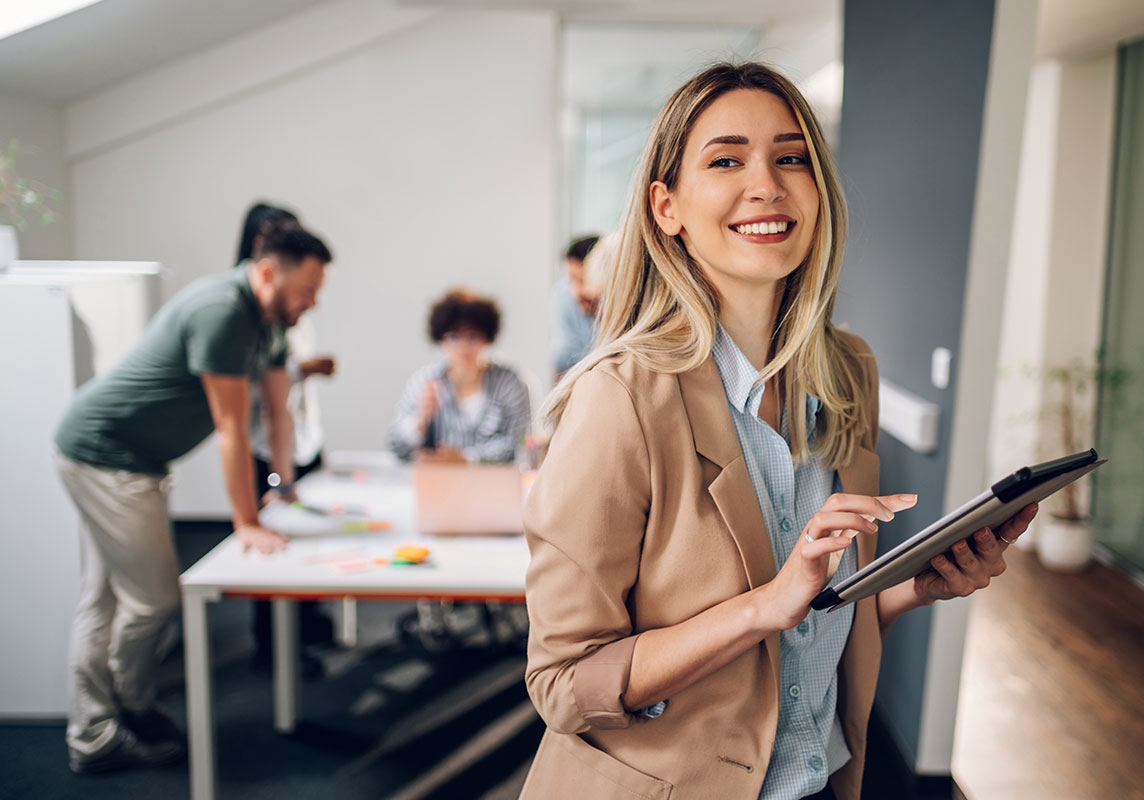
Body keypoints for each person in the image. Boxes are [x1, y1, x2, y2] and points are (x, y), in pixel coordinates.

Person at [520, 62, 1039, 800]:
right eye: (726, 159)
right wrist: (763, 604)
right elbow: (565, 685)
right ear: (667, 207)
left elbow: (810, 632)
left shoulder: (847, 370)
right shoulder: (621, 399)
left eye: (791, 157)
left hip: (819, 782)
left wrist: (907, 588)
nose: (766, 183)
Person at [53, 225, 332, 774]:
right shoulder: (223, 310)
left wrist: (286, 487)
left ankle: (93, 730)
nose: (313, 301)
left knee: (107, 598)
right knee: (153, 600)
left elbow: (275, 412)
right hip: (106, 454)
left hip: (131, 458)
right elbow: (231, 428)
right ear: (269, 272)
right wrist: (246, 522)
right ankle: (128, 713)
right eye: (306, 289)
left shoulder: (271, 322)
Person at [235, 203, 338, 672]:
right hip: (266, 445)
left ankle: (305, 630)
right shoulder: (241, 315)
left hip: (296, 441)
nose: (312, 300)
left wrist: (286, 473)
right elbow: (246, 410)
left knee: (304, 539)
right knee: (271, 545)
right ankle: (273, 649)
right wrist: (275, 479)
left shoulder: (285, 315)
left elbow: (281, 405)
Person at [387, 288, 531, 464]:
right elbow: (396, 447)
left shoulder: (510, 384)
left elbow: (519, 445)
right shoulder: (425, 382)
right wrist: (418, 421)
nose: (463, 347)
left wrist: (466, 459)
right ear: (441, 338)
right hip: (438, 484)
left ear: (486, 338)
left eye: (472, 337)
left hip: (494, 485)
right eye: (454, 337)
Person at [551, 234, 600, 377]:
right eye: (572, 279)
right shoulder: (563, 295)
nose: (577, 291)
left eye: (584, 280)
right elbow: (562, 361)